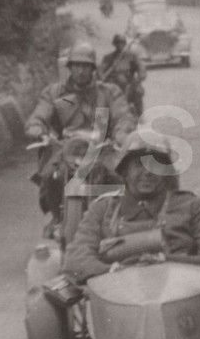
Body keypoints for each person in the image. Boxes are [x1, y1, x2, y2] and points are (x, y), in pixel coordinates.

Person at [64, 131, 200, 282]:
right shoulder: (103, 209)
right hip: (121, 302)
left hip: (179, 300)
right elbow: (76, 258)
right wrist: (111, 271)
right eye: (139, 165)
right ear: (124, 171)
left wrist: (169, 260)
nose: (147, 172)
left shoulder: (191, 206)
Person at [25, 41, 136, 239]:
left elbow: (123, 116)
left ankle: (122, 218)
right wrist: (37, 127)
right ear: (70, 68)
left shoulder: (108, 92)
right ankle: (58, 218)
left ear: (93, 69)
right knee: (50, 177)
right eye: (77, 65)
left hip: (102, 148)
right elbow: (40, 113)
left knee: (121, 178)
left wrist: (122, 133)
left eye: (86, 66)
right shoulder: (54, 93)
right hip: (66, 149)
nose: (81, 71)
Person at [100, 34, 145, 117]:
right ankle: (101, 121)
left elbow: (140, 66)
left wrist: (140, 75)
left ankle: (139, 114)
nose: (119, 45)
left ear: (125, 44)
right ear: (114, 44)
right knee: (101, 95)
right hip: (113, 83)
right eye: (117, 43)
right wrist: (101, 76)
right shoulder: (108, 57)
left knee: (138, 90)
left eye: (122, 43)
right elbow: (102, 69)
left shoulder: (132, 56)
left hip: (128, 83)